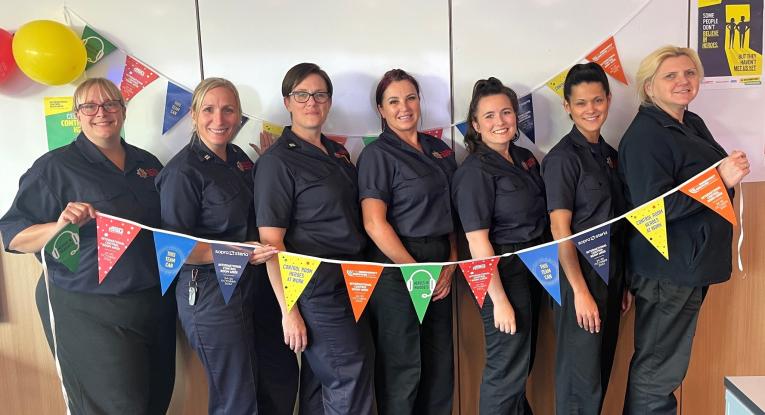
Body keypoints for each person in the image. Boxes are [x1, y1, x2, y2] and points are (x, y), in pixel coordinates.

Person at [0, 78, 175, 414]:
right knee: (118, 408)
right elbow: (13, 236)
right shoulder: (54, 167)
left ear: (123, 112)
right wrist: (60, 225)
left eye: (110, 104)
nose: (101, 112)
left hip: (153, 302)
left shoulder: (147, 163)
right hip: (89, 309)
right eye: (89, 106)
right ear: (76, 115)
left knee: (155, 402)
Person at [619, 46, 750, 415]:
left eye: (689, 73)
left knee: (665, 366)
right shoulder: (647, 135)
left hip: (688, 265)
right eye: (671, 76)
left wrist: (725, 174)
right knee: (659, 369)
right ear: (649, 87)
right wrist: (719, 179)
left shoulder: (688, 122)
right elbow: (652, 210)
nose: (683, 82)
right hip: (668, 270)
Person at [155, 77, 298, 415]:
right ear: (193, 114)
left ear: (239, 116)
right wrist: (239, 253)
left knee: (279, 378)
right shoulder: (182, 172)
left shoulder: (238, 157)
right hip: (211, 294)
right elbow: (175, 249)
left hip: (256, 287)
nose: (219, 119)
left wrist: (270, 161)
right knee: (237, 398)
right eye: (209, 109)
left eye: (228, 110)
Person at [253, 62, 374, 415]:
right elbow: (271, 243)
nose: (312, 102)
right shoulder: (276, 162)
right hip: (314, 288)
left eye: (320, 94)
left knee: (322, 383)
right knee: (349, 376)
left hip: (352, 281)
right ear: (287, 101)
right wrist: (288, 311)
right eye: (302, 94)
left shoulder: (338, 154)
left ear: (329, 102)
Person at [356, 68, 457, 414]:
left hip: (440, 264)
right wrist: (414, 271)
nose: (404, 107)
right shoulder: (377, 155)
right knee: (403, 367)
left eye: (410, 98)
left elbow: (452, 216)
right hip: (396, 268)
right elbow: (373, 222)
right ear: (381, 111)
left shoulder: (439, 149)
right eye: (394, 101)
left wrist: (451, 264)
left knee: (439, 364)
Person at [451, 77, 548, 414]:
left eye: (506, 112)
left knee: (519, 363)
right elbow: (477, 242)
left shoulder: (523, 157)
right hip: (498, 273)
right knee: (506, 368)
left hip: (533, 265)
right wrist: (500, 300)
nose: (500, 122)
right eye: (489, 116)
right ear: (475, 125)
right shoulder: (475, 172)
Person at [540, 62, 630, 414]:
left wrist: (621, 283)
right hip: (579, 276)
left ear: (608, 99)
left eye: (597, 100)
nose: (591, 110)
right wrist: (579, 292)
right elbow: (560, 231)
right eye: (580, 103)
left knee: (599, 371)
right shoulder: (563, 159)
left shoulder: (610, 156)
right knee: (580, 381)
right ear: (567, 107)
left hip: (611, 275)